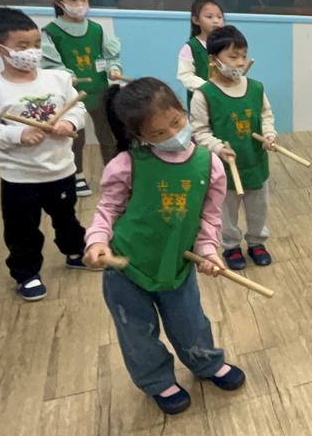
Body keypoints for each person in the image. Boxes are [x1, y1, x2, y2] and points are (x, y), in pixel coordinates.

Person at [83, 78, 245, 415]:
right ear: (139, 135)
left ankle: (206, 363)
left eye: (176, 122)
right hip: (127, 267)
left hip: (176, 264)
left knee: (191, 322)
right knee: (137, 331)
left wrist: (208, 251)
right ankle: (157, 381)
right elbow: (108, 209)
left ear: (183, 110)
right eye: (158, 132)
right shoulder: (127, 164)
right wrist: (97, 241)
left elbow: (210, 216)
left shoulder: (210, 163)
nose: (173, 134)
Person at [0, 7, 87, 301]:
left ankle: (76, 252)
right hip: (20, 177)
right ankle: (27, 273)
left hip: (61, 169)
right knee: (22, 230)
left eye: (36, 44)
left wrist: (69, 123)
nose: (32, 52)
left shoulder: (58, 80)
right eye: (22, 46)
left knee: (67, 218)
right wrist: (18, 135)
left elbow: (78, 108)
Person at [190, 26, 276, 270]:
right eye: (233, 56)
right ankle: (231, 245)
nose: (240, 62)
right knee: (226, 212)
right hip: (224, 167)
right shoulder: (204, 94)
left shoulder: (256, 87)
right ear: (214, 60)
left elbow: (266, 115)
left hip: (255, 161)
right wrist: (218, 148)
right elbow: (200, 132)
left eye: (243, 55)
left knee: (258, 208)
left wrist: (269, 134)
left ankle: (257, 241)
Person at [41, 0, 121, 196]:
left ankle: (114, 173)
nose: (79, 4)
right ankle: (77, 175)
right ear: (59, 3)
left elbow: (110, 55)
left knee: (108, 135)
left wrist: (114, 68)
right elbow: (50, 63)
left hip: (100, 92)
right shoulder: (51, 32)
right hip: (72, 96)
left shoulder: (96, 29)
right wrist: (66, 76)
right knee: (76, 137)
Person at [176, 0, 224, 109]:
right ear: (196, 20)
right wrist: (209, 87)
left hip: (224, 102)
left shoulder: (227, 46)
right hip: (200, 104)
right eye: (209, 17)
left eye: (219, 17)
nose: (216, 21)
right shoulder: (191, 47)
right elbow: (185, 76)